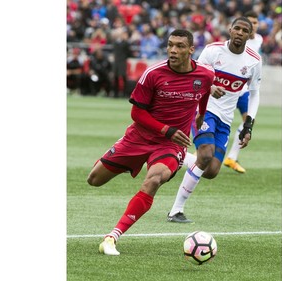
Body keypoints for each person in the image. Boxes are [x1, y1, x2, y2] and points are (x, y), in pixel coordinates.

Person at [87, 29, 215, 255]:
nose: (173, 50)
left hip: (171, 146)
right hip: (139, 137)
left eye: (179, 46)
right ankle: (125, 159)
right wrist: (166, 129)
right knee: (94, 180)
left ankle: (112, 237)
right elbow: (137, 114)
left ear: (191, 50)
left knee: (154, 179)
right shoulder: (153, 74)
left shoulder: (205, 75)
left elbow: (204, 93)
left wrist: (201, 115)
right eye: (170, 45)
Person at [167, 17, 262, 223]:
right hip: (204, 109)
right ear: (230, 30)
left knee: (211, 170)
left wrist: (248, 125)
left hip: (225, 120)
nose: (239, 32)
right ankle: (176, 210)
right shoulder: (213, 50)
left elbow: (254, 94)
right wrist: (209, 87)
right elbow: (194, 77)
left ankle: (177, 155)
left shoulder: (254, 60)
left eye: (244, 30)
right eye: (236, 28)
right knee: (205, 154)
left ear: (249, 35)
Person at [223, 10, 263, 173]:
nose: (252, 26)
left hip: (244, 90)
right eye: (250, 23)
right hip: (228, 88)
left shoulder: (258, 40)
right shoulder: (237, 39)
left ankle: (232, 157)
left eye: (255, 23)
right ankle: (201, 150)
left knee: (248, 120)